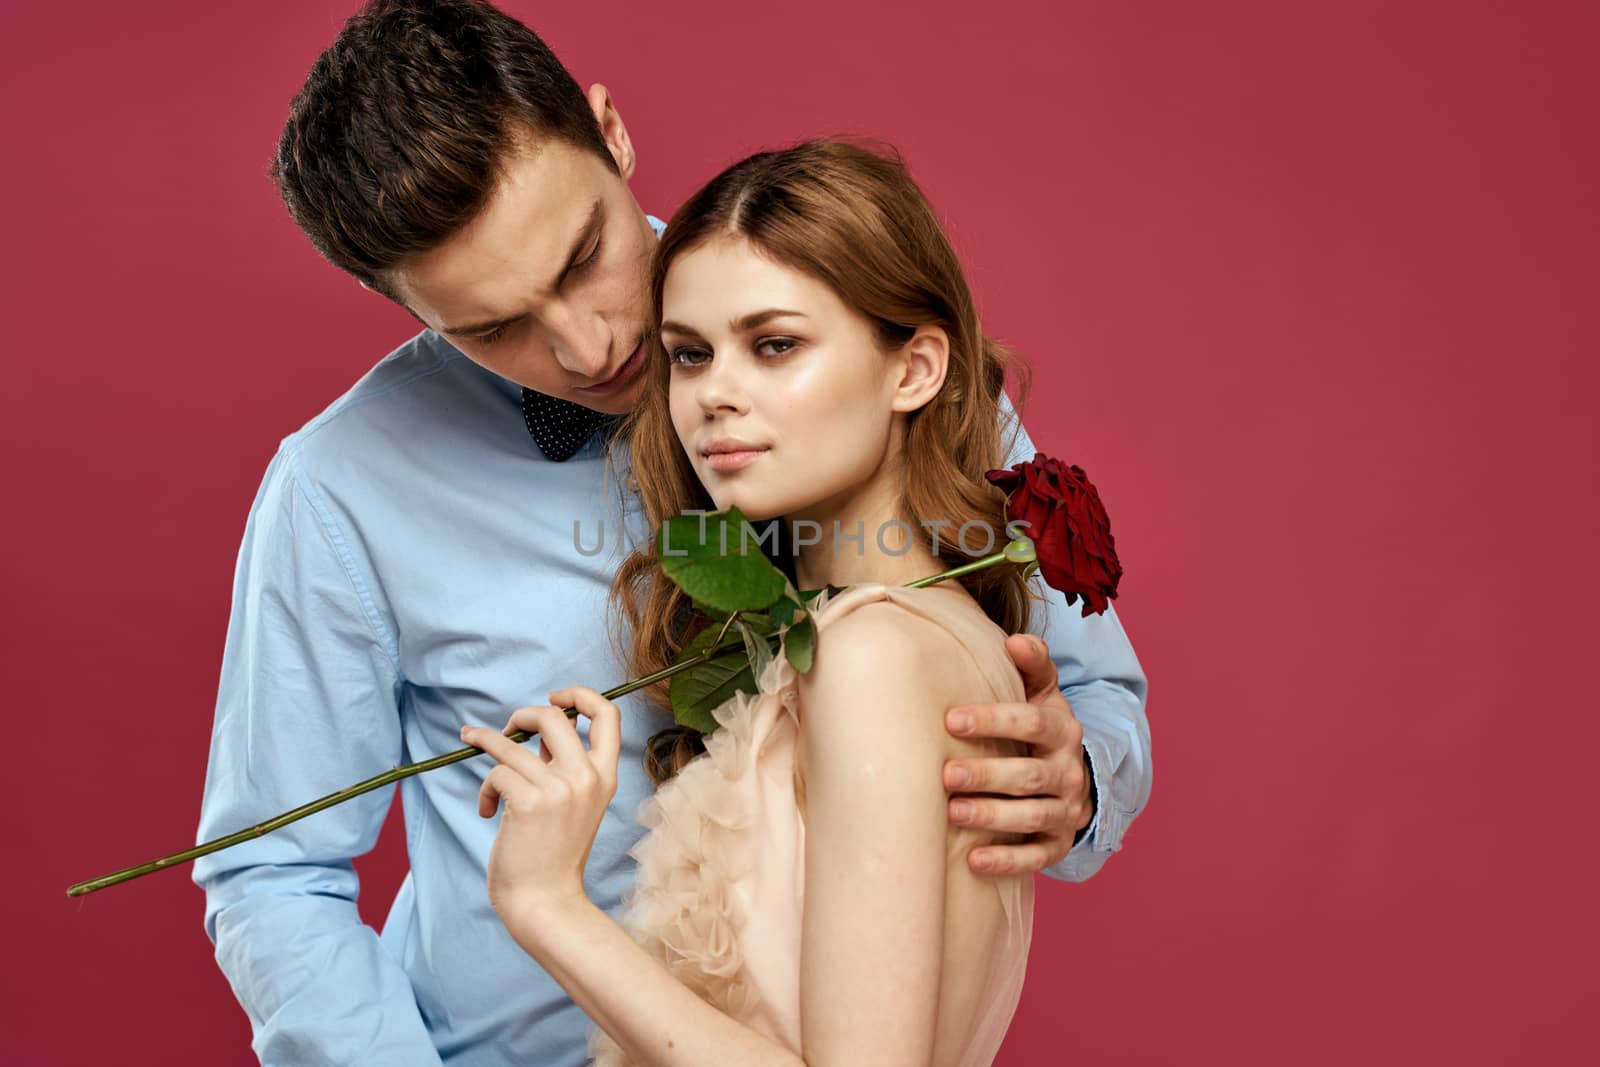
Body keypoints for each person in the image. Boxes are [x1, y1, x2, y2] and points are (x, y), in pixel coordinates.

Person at [192, 2, 1150, 1064]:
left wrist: (1082, 778)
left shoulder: (868, 347)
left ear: (610, 133)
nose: (588, 343)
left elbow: (1093, 688)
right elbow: (272, 872)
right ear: (404, 308)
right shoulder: (339, 489)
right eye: (490, 326)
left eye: (581, 256)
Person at [462, 138, 1073, 1065]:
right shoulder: (914, 627)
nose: (715, 395)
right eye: (691, 356)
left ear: (913, 370)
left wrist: (547, 907)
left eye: (774, 344)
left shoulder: (870, 652)